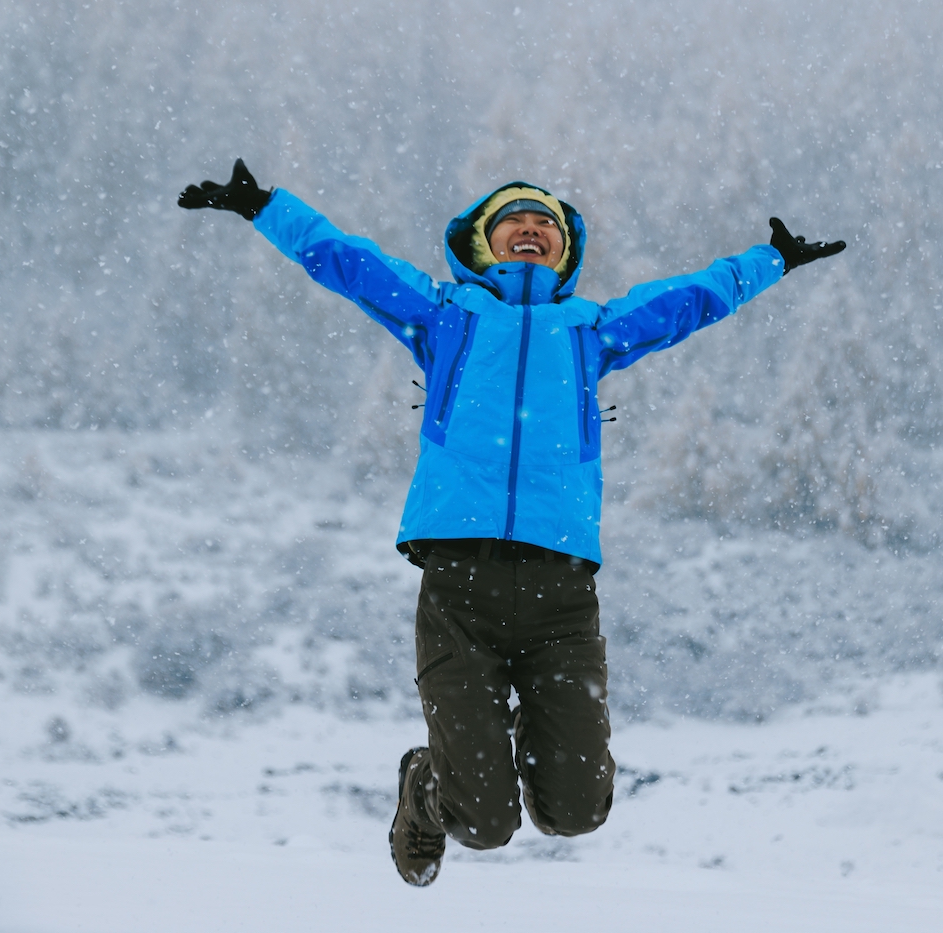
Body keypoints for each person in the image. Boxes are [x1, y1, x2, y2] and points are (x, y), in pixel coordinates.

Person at [178, 160, 845, 885]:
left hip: (560, 601)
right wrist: (265, 206)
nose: (531, 231)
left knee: (578, 809)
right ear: (483, 246)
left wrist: (770, 260)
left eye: (546, 227)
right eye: (514, 224)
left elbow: (688, 302)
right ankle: (425, 788)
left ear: (564, 253)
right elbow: (346, 261)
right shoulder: (447, 315)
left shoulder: (589, 331)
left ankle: (517, 746)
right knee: (483, 823)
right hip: (460, 591)